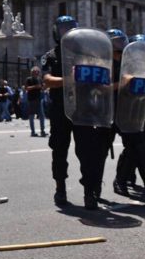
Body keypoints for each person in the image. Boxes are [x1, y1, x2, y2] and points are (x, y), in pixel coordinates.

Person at [42, 15, 109, 209]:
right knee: (59, 150)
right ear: (56, 32)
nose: (67, 32)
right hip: (60, 109)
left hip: (84, 108)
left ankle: (90, 192)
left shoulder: (87, 55)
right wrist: (70, 80)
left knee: (87, 152)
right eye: (63, 29)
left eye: (70, 28)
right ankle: (60, 189)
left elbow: (100, 79)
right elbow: (46, 81)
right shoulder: (51, 56)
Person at [106, 29, 145, 209]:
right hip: (109, 113)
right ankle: (94, 190)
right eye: (115, 42)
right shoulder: (104, 64)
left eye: (121, 41)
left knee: (140, 149)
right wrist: (123, 82)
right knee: (98, 154)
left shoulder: (132, 62)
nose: (119, 45)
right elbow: (103, 88)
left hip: (130, 112)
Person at [25, 67, 46, 136]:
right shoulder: (29, 79)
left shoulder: (40, 79)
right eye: (35, 72)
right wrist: (35, 87)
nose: (36, 73)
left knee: (42, 116)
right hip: (31, 100)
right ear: (32, 72)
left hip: (39, 99)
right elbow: (27, 88)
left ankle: (42, 131)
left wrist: (43, 87)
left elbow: (42, 87)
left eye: (37, 72)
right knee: (31, 116)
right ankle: (33, 132)